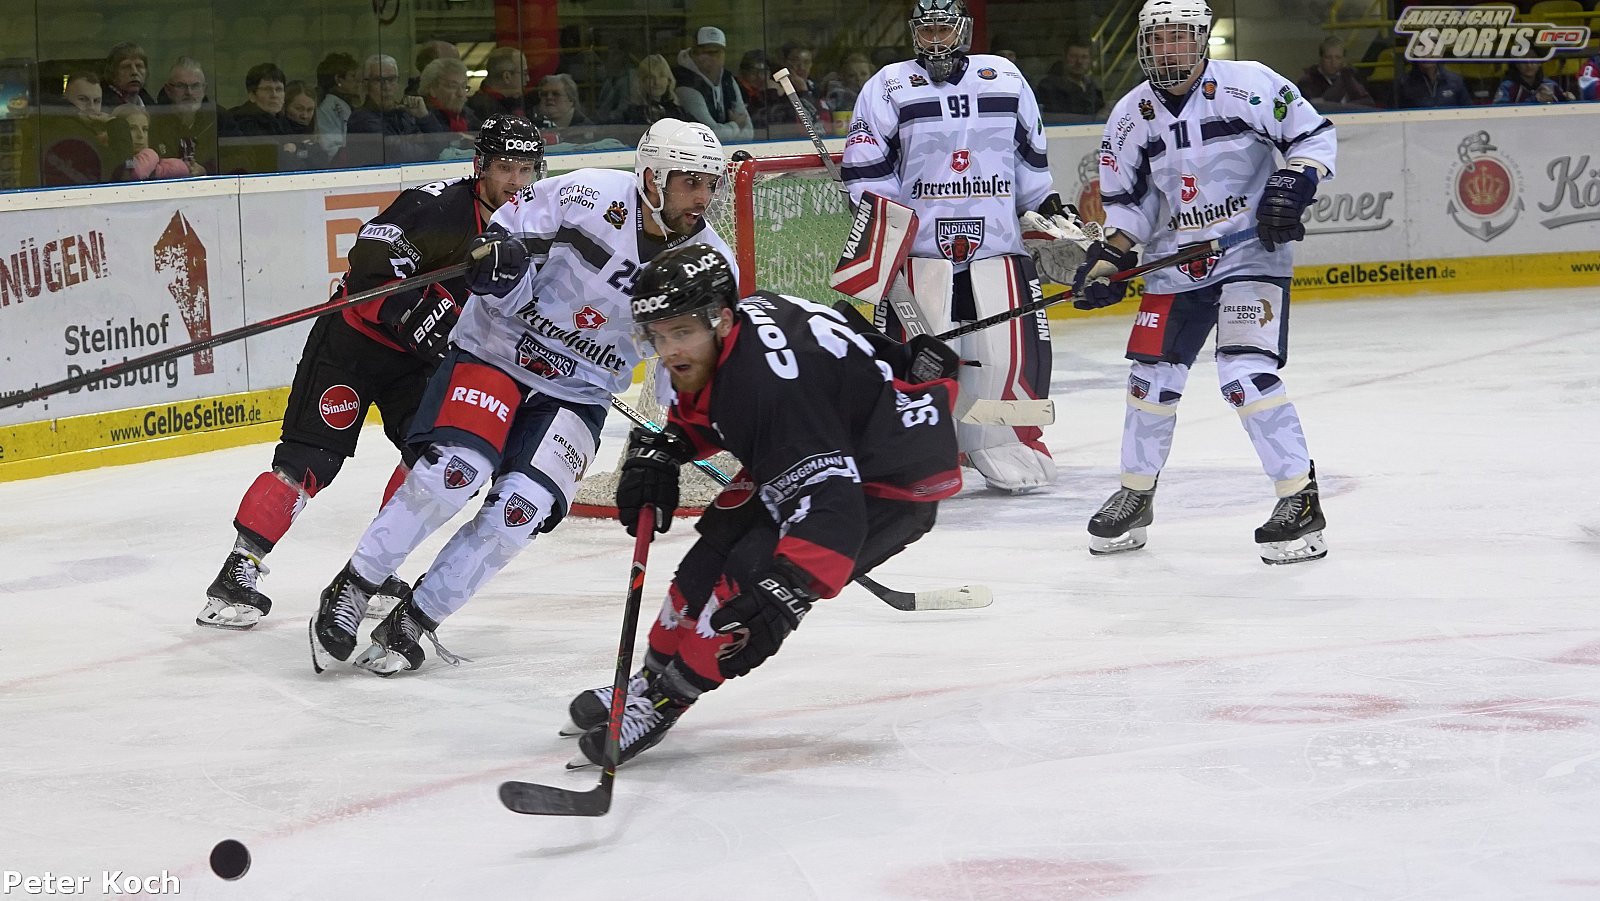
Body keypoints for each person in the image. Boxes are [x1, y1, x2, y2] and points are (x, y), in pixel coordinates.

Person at [307, 118, 736, 676]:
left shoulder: (710, 265)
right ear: (652, 177)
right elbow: (501, 234)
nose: (702, 198)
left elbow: (691, 369)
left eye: (709, 184)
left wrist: (671, 437)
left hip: (579, 391)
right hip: (498, 351)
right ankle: (355, 583)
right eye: (689, 182)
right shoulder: (587, 195)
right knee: (453, 473)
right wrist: (497, 262)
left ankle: (416, 617)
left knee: (519, 512)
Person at [561, 244, 963, 767]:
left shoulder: (772, 389)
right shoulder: (735, 342)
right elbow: (721, 404)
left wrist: (785, 591)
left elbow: (833, 510)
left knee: (746, 588)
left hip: (886, 484)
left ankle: (666, 701)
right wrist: (671, 446)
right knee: (709, 556)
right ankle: (649, 681)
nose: (670, 349)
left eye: (681, 332)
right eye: (658, 335)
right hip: (823, 442)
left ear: (723, 320)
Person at [195, 117, 546, 631]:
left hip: (420, 363)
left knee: (433, 462)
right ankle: (238, 570)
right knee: (310, 460)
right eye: (505, 167)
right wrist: (410, 309)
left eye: (526, 169)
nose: (516, 181)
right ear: (481, 166)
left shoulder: (534, 225)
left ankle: (373, 570)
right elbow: (370, 257)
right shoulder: (437, 205)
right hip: (354, 345)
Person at [1071, 0, 1335, 565]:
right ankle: (1135, 495)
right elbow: (1130, 207)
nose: (1169, 48)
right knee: (1150, 379)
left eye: (1180, 36)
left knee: (1245, 375)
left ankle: (1299, 499)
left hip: (1250, 255)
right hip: (1175, 262)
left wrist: (1292, 185)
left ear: (1202, 39)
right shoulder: (1130, 115)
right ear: (1143, 44)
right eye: (1158, 38)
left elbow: (1312, 137)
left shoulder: (1250, 85)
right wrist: (1110, 259)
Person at [842, 0, 1075, 494]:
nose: (935, 39)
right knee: (920, 357)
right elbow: (867, 170)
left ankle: (1004, 438)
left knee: (1005, 354)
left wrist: (1047, 210)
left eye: (944, 28)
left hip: (997, 248)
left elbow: (1029, 160)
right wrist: (885, 232)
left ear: (963, 30)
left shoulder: (1005, 77)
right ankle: (920, 450)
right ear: (914, 33)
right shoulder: (888, 85)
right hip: (921, 253)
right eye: (926, 30)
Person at [673, 26, 753, 142]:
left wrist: (728, 131)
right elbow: (709, 135)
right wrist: (735, 125)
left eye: (718, 52)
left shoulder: (727, 79)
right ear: (694, 53)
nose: (714, 58)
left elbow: (749, 132)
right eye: (708, 52)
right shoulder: (686, 84)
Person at [1295, 36, 1373, 109]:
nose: (1333, 62)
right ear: (1321, 58)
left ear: (1343, 59)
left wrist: (1342, 107)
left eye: (1338, 58)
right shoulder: (1307, 81)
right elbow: (1315, 107)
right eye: (1328, 57)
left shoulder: (1350, 77)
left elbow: (1368, 102)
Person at [1038, 41, 1106, 118]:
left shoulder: (1091, 87)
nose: (1079, 61)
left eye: (1084, 57)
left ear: (1090, 60)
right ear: (1065, 58)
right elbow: (1054, 118)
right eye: (1073, 56)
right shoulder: (1049, 88)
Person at [618, 54, 687, 126]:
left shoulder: (679, 112)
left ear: (669, 81)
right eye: (650, 77)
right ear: (642, 82)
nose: (656, 82)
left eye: (661, 76)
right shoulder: (632, 115)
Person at [1492, 61, 1575, 104]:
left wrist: (1569, 101)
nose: (1529, 65)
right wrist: (1535, 100)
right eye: (1524, 61)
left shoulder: (1551, 85)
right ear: (1517, 64)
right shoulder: (1507, 86)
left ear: (1540, 63)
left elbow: (1563, 111)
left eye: (1533, 60)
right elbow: (1498, 112)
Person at [1398, 60, 1469, 108]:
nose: (1426, 54)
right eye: (1422, 50)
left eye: (1431, 50)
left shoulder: (1455, 80)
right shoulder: (1404, 83)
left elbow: (1468, 109)